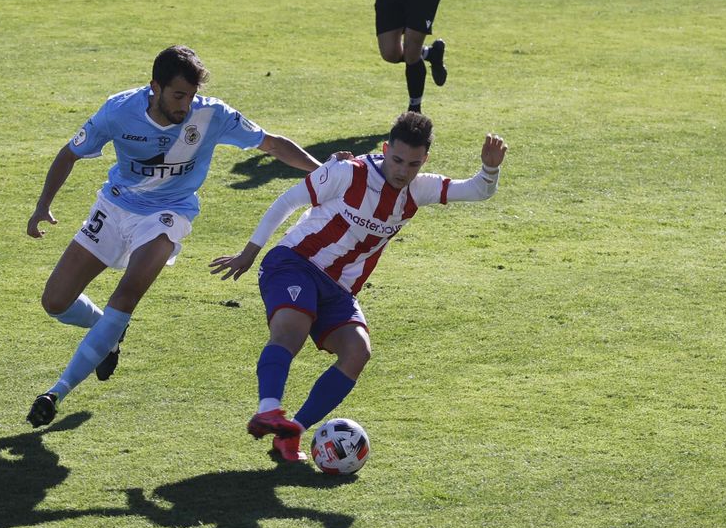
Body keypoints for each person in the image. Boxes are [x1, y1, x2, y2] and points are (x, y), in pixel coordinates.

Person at [23, 45, 331, 430]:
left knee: (127, 294)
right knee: (55, 301)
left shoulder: (212, 114)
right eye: (178, 95)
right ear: (155, 87)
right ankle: (108, 331)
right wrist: (42, 205)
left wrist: (324, 173)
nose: (185, 106)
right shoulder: (119, 110)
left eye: (191, 96)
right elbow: (70, 153)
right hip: (115, 207)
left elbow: (271, 144)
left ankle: (56, 392)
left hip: (168, 214)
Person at [210, 113, 507, 462]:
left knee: (357, 352)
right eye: (397, 160)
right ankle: (268, 410)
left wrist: (490, 168)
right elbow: (288, 200)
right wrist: (249, 252)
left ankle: (292, 434)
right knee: (291, 330)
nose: (402, 171)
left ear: (424, 160)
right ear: (385, 149)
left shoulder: (419, 188)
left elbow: (478, 190)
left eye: (413, 164)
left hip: (339, 289)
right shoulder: (348, 172)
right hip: (295, 263)